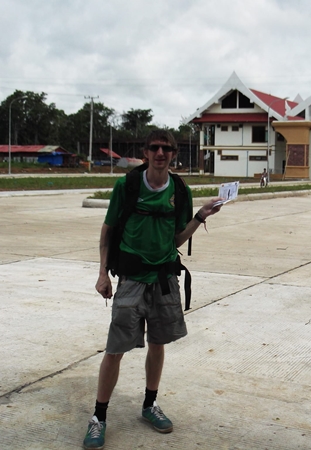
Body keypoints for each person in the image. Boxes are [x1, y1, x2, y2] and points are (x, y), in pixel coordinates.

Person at [83, 129, 223, 449]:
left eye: (167, 149)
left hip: (164, 280)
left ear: (174, 154)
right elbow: (107, 231)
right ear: (145, 152)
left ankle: (149, 405)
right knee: (115, 350)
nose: (160, 153)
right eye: (154, 148)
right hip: (131, 280)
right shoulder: (127, 186)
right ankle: (98, 417)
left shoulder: (180, 190)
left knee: (158, 344)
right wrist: (103, 273)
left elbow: (176, 239)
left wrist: (201, 216)